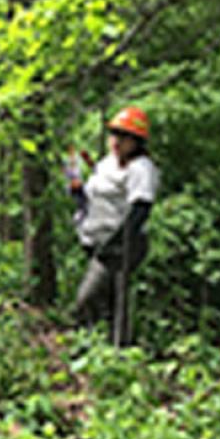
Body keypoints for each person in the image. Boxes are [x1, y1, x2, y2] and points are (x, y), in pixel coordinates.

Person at [70, 106, 160, 346]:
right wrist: (77, 191)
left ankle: (84, 346)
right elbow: (92, 196)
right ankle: (116, 350)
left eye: (123, 137)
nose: (116, 142)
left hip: (120, 245)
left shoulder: (141, 169)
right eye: (114, 135)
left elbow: (139, 210)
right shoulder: (107, 163)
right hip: (96, 241)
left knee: (88, 299)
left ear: (136, 142)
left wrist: (116, 244)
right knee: (110, 304)